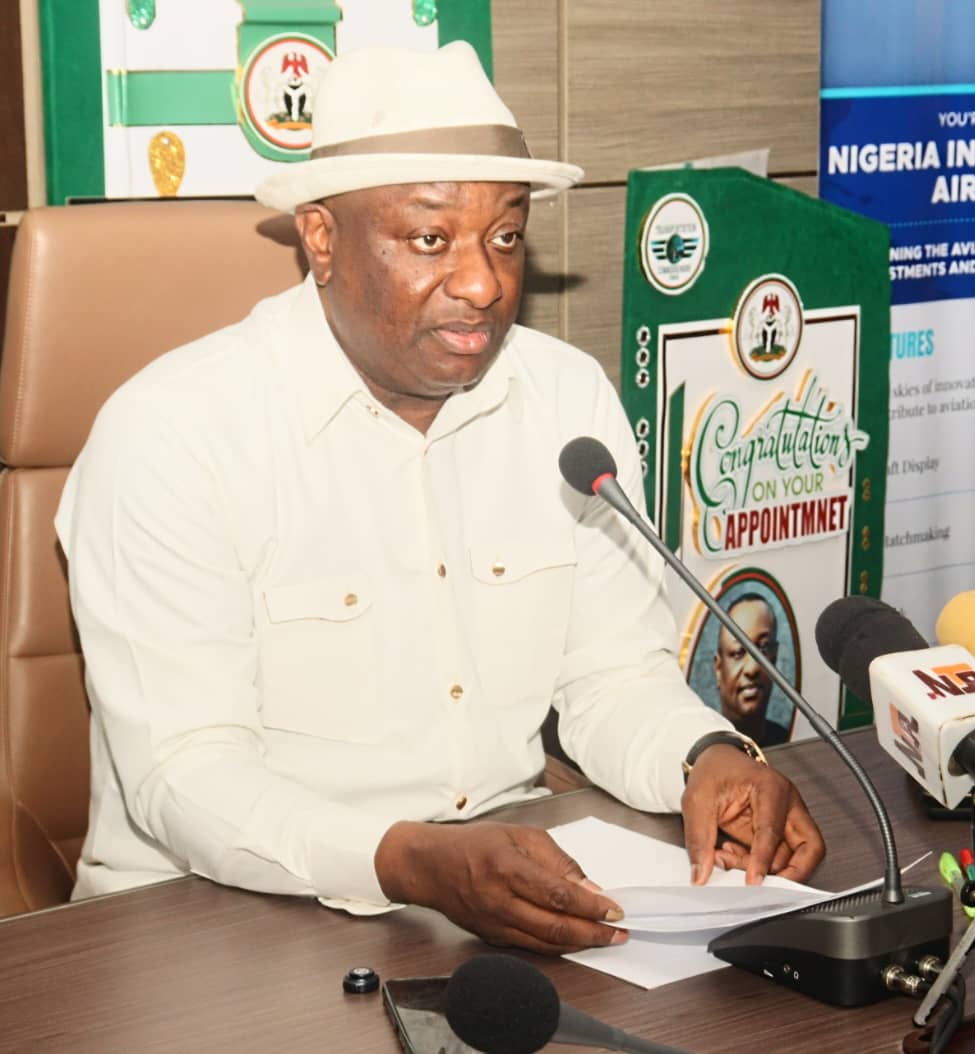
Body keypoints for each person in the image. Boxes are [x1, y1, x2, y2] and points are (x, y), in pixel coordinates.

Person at [56, 41, 825, 956]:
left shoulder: (566, 401)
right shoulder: (171, 433)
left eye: (505, 237)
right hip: (203, 923)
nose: (485, 283)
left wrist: (710, 757)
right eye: (430, 240)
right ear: (321, 239)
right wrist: (410, 864)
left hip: (495, 891)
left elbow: (613, 676)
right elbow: (187, 775)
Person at [714, 594, 792, 747]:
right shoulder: (702, 747)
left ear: (774, 658)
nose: (752, 668)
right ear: (718, 668)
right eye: (738, 652)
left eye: (763, 647)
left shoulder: (789, 742)